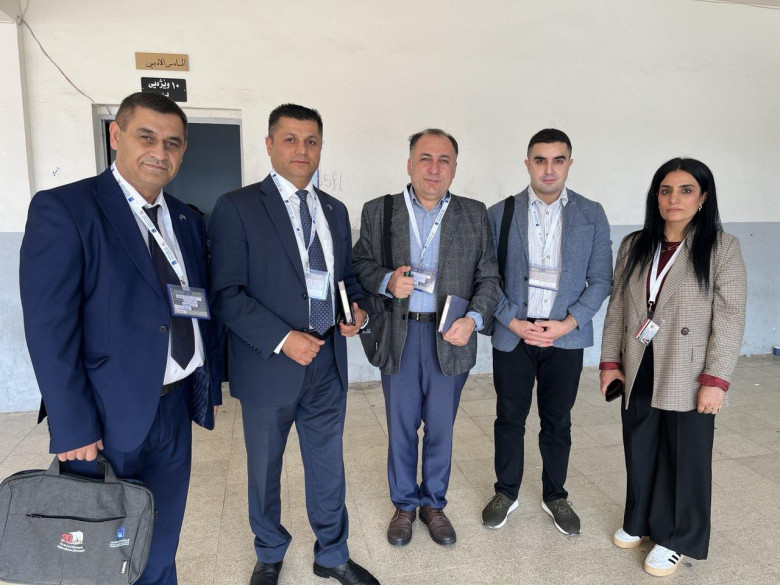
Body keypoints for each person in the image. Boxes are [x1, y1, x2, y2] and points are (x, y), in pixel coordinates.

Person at [19, 92, 222, 585]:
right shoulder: (67, 209)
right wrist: (72, 424)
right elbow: (49, 328)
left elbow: (191, 304)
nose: (159, 151)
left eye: (173, 142)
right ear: (116, 135)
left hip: (174, 410)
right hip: (105, 418)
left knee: (161, 540)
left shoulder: (186, 220)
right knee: (103, 553)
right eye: (146, 136)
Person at [208, 104, 378, 585]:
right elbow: (226, 294)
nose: (302, 149)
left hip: (327, 361)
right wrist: (284, 339)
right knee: (265, 467)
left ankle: (333, 553)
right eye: (290, 139)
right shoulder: (237, 207)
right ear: (269, 145)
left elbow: (345, 280)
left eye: (311, 141)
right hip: (269, 365)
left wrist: (357, 313)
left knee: (328, 465)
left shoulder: (334, 211)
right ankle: (269, 552)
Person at [352, 128, 500, 548]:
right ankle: (404, 505)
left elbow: (489, 277)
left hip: (449, 335)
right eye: (425, 158)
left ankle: (433, 503)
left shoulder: (474, 214)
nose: (434, 169)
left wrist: (472, 319)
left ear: (454, 168)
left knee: (440, 428)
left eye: (443, 160)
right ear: (409, 164)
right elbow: (360, 263)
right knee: (401, 426)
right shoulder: (380, 211)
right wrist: (385, 280)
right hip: (399, 334)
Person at [600, 158, 746, 576]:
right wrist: (610, 362)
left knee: (685, 453)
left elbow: (730, 316)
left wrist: (716, 380)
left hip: (690, 367)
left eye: (685, 190)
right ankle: (640, 520)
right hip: (639, 360)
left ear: (702, 198)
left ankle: (677, 537)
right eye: (665, 190)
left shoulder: (721, 247)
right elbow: (618, 307)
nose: (674, 199)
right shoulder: (635, 244)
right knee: (640, 444)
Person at [481, 129, 612, 536]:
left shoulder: (591, 214)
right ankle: (506, 492)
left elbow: (601, 280)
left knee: (558, 420)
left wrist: (568, 323)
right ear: (528, 164)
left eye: (558, 160)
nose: (549, 169)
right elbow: (487, 278)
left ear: (569, 164)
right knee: (509, 417)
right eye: (540, 160)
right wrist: (512, 321)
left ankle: (555, 495)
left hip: (564, 337)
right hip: (514, 334)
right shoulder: (500, 213)